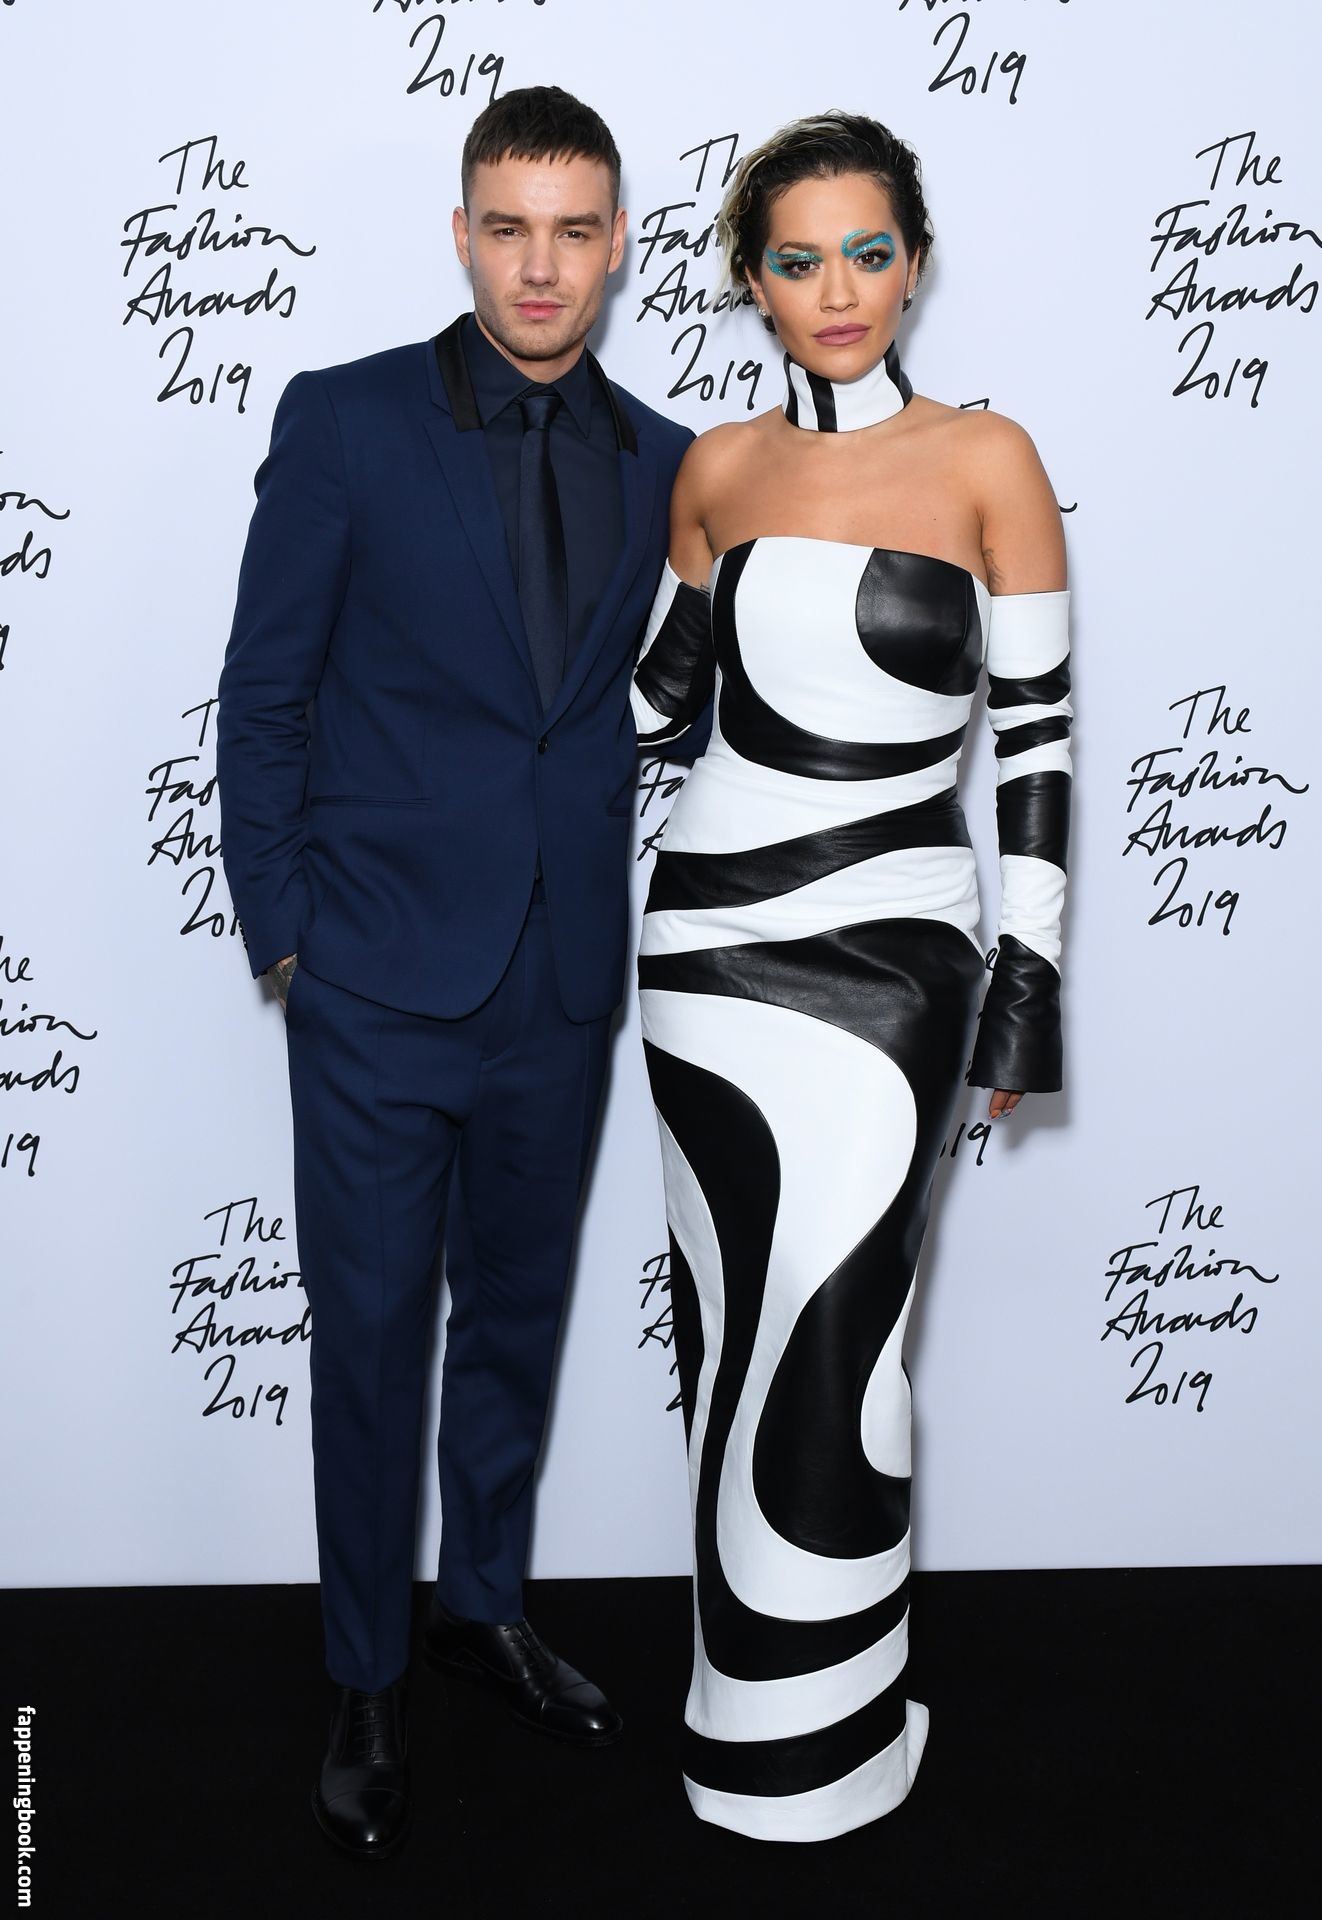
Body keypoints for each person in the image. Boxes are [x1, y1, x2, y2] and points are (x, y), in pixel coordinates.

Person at [216, 86, 692, 1860]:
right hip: (372, 978)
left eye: (572, 229)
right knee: (368, 1343)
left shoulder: (668, 461)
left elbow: (659, 700)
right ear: (462, 234)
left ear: (618, 243)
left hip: (560, 976)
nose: (538, 265)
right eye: (507, 227)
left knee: (515, 1317)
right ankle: (364, 1671)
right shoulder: (344, 421)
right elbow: (265, 690)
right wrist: (286, 931)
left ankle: (479, 1605)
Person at [630, 110, 1072, 1841]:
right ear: (753, 280)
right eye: (799, 259)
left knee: (842, 1345)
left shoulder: (987, 458)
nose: (836, 291)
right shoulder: (714, 472)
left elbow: (1035, 743)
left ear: (915, 263)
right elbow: (649, 714)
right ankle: (747, 1731)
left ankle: (831, 1735)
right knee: (731, 1340)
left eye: (867, 254)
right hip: (703, 949)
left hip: (894, 954)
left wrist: (1024, 983)